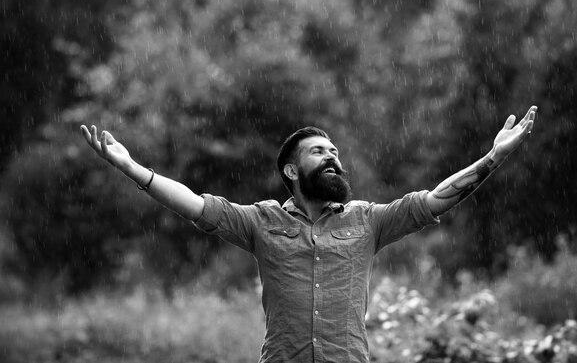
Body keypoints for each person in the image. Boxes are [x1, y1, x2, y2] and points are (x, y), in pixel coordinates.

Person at [80, 105, 536, 363]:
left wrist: (493, 157)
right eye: (320, 152)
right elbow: (194, 204)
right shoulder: (260, 222)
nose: (333, 157)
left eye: (335, 151)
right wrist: (131, 167)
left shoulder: (368, 220)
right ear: (292, 170)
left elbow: (437, 199)